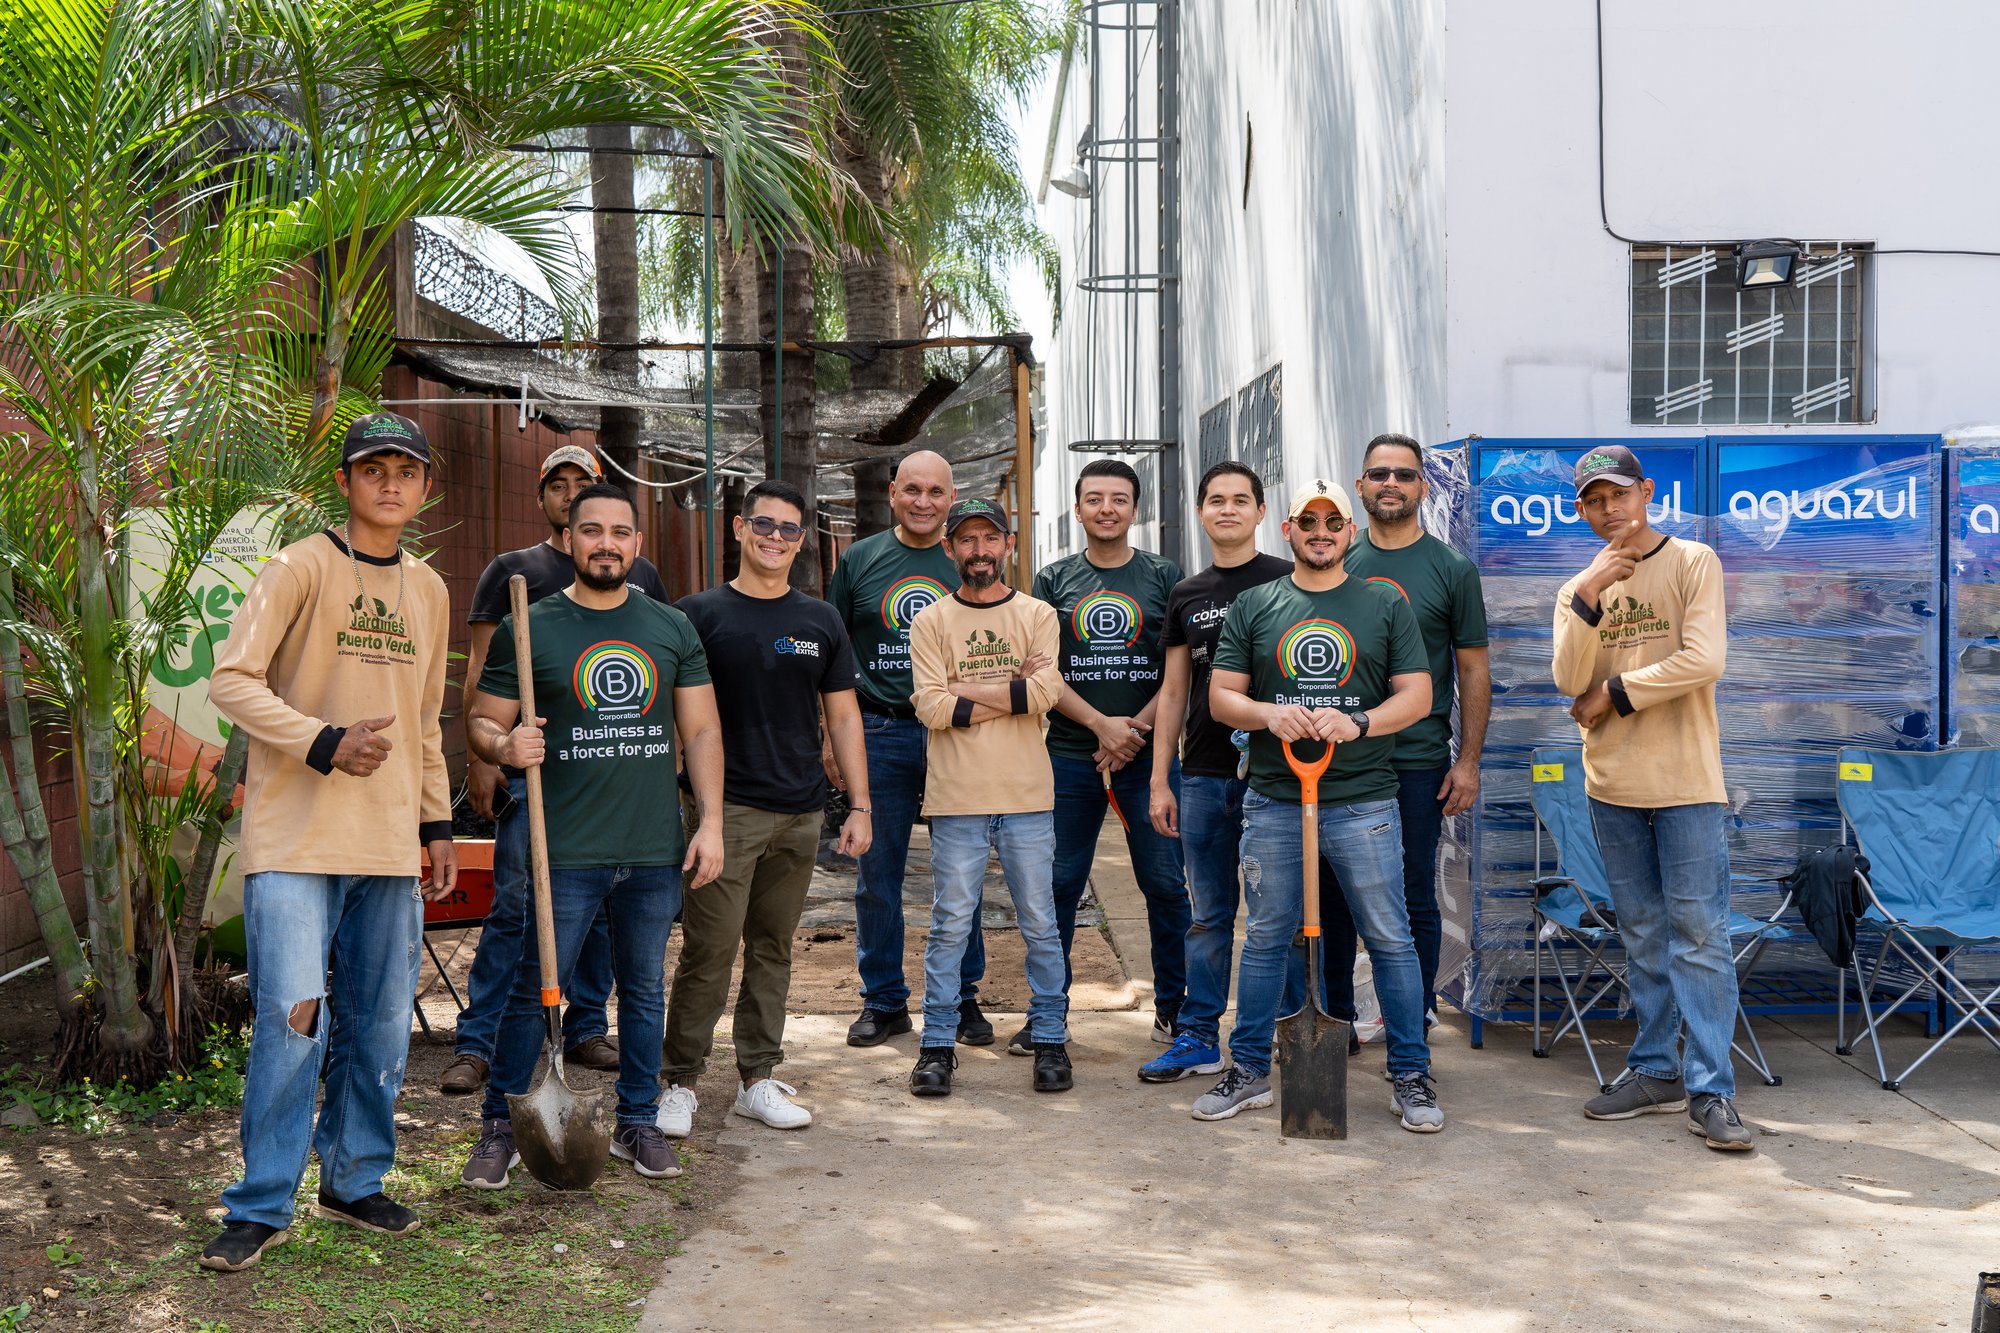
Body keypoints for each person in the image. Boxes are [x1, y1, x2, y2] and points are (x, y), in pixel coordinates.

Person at [200, 413, 455, 1272]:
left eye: (406, 470)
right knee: (293, 1020)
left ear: (425, 488)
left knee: (381, 1023)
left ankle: (353, 1178)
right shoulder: (299, 565)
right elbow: (231, 679)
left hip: (387, 846)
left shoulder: (428, 587)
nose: (390, 482)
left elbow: (424, 720)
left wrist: (437, 820)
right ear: (344, 483)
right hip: (296, 841)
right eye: (372, 468)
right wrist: (321, 741)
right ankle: (261, 1203)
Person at [458, 483, 723, 1188]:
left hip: (651, 848)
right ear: (570, 540)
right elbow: (481, 722)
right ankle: (499, 1124)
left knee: (642, 989)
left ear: (638, 543)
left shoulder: (670, 626)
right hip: (561, 849)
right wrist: (505, 745)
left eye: (621, 532)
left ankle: (637, 1119)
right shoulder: (531, 622)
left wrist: (713, 823)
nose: (607, 543)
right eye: (592, 531)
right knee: (531, 989)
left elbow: (698, 729)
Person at [1200, 478, 1443, 1132]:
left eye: (1333, 520)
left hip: (1364, 801)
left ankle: (1411, 1074)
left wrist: (1358, 722)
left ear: (1349, 532)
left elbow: (1416, 695)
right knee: (1267, 939)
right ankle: (1249, 1069)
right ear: (1289, 530)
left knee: (1390, 938)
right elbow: (1223, 695)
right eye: (1308, 519)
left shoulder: (1382, 606)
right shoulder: (1257, 604)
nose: (1321, 529)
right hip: (1277, 800)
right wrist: (1269, 715)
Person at [441, 445, 672, 1095]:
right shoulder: (512, 571)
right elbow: (481, 675)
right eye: (557, 484)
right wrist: (484, 761)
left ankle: (586, 1026)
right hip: (537, 780)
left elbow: (657, 679)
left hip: (616, 786)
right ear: (542, 497)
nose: (570, 493)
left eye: (583, 483)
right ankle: (478, 1040)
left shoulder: (640, 573)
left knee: (604, 909)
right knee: (514, 906)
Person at [1552, 445, 1748, 1152]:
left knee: (1699, 935)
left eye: (1619, 494)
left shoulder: (1694, 562)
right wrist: (1590, 592)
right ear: (1581, 511)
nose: (1610, 510)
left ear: (1647, 492)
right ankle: (1656, 1068)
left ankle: (1712, 1089)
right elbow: (1567, 678)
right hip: (1612, 787)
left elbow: (1705, 659)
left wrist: (1617, 691)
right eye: (1594, 501)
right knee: (1641, 934)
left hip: (1688, 783)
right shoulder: (1580, 585)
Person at [663, 480, 874, 1134]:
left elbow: (843, 718)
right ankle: (678, 1081)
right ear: (737, 529)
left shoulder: (820, 620)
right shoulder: (696, 614)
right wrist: (699, 808)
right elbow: (675, 716)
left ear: (803, 538)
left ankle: (757, 1076)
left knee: (774, 946)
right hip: (723, 811)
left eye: (789, 528)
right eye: (764, 524)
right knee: (711, 946)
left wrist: (859, 804)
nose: (776, 537)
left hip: (801, 810)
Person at [1323, 434, 1490, 1031]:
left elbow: (1472, 669)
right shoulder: (1337, 559)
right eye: (1378, 474)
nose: (1390, 483)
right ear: (1361, 485)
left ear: (1423, 486)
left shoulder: (1451, 569)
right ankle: (1335, 1019)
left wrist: (1467, 761)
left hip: (1419, 762)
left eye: (1404, 474)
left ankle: (1410, 1020)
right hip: (1341, 760)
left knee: (1412, 892)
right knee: (1337, 896)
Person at [905, 499, 1071, 1097]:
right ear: (949, 549)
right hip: (958, 799)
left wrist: (966, 688)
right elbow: (929, 705)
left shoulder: (1037, 613)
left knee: (1041, 925)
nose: (979, 550)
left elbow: (1049, 691)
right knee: (949, 925)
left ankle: (1051, 1039)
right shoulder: (930, 622)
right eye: (966, 540)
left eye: (989, 538)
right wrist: (1014, 687)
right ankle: (937, 1048)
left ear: (1008, 544)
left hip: (1027, 796)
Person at [825, 451, 990, 1048]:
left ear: (952, 497)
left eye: (936, 492)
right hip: (879, 730)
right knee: (877, 874)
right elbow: (832, 654)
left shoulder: (968, 558)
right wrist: (830, 736)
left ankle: (961, 997)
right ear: (893, 493)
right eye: (912, 490)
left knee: (962, 872)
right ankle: (885, 1000)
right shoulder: (862, 560)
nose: (924, 502)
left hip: (957, 732)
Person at [1028, 458, 1192, 1053]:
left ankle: (1175, 1011)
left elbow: (1181, 671)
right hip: (1070, 756)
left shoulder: (1164, 577)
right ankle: (1048, 1011)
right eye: (1094, 499)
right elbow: (1041, 671)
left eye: (1118, 499)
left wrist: (1133, 731)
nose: (1106, 508)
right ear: (1077, 509)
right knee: (1058, 885)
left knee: (1165, 885)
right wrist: (1101, 726)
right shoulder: (1052, 581)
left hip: (1150, 760)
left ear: (1135, 509)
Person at [1140, 461, 1292, 1083]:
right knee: (1207, 914)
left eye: (1240, 500)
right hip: (1203, 774)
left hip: (1278, 777)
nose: (1227, 509)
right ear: (1199, 513)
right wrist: (1159, 780)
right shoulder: (1188, 593)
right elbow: (1173, 692)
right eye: (1215, 500)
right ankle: (1198, 1035)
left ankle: (1282, 1030)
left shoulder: (1289, 579)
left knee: (1275, 914)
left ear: (1260, 511)